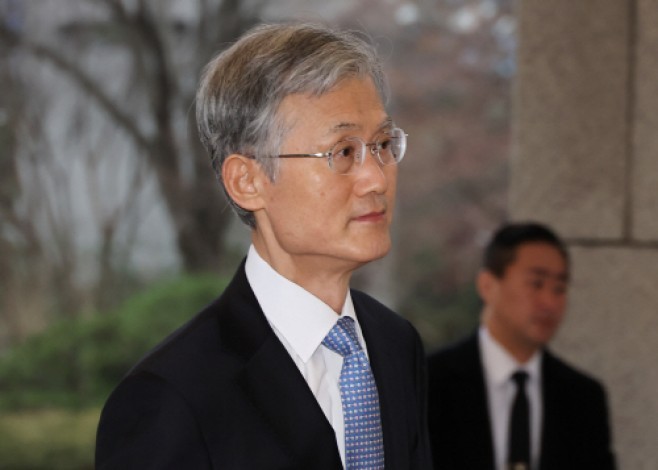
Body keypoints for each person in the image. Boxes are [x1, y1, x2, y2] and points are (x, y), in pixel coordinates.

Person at [95, 22, 432, 469]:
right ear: (247, 181)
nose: (376, 178)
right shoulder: (170, 398)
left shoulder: (395, 344)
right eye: (344, 152)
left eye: (383, 144)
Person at [427, 222, 616, 470]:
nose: (550, 302)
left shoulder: (583, 398)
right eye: (536, 283)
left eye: (559, 288)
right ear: (487, 285)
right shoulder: (429, 382)